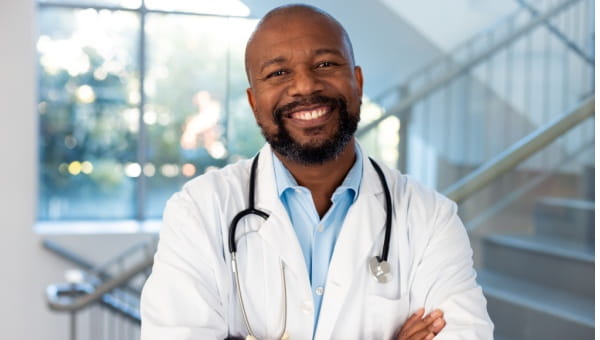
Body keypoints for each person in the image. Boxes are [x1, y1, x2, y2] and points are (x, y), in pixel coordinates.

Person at [140, 4, 494, 340]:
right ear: (253, 101)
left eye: (325, 64)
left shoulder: (430, 218)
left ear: (357, 81)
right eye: (278, 73)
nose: (306, 86)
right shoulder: (200, 210)